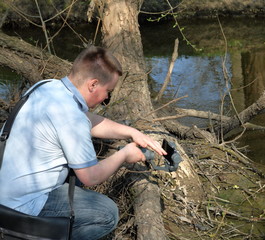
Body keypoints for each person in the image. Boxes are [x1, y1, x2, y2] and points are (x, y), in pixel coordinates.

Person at [0, 46, 166, 239]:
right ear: (93, 84)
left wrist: (131, 132)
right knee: (107, 213)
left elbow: (86, 120)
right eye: (108, 92)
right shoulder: (71, 118)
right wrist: (125, 154)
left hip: (5, 191)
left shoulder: (47, 87)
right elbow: (91, 176)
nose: (106, 99)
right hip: (20, 207)